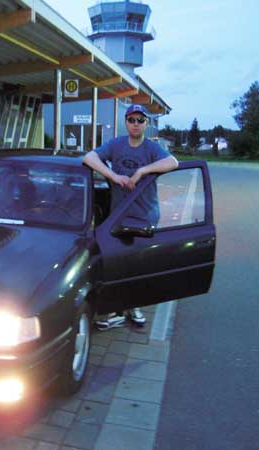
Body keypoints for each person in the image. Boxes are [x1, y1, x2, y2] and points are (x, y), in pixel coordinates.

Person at [83, 104, 178, 330]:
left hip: (145, 217)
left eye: (140, 120)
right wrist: (113, 175)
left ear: (146, 123)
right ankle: (116, 308)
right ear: (125, 122)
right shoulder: (116, 145)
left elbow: (173, 162)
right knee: (118, 263)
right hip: (119, 217)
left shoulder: (152, 148)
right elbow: (90, 157)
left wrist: (142, 171)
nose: (135, 124)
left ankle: (133, 306)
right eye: (131, 119)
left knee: (139, 265)